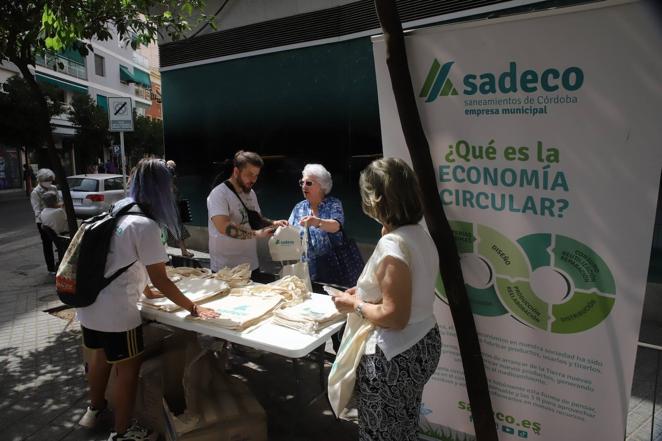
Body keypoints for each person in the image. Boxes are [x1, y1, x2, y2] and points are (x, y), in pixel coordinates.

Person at [76, 158, 218, 441]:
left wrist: (145, 290)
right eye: (171, 184)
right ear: (162, 188)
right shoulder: (146, 225)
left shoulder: (117, 210)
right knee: (127, 370)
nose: (174, 189)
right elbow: (161, 278)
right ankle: (122, 432)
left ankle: (94, 410)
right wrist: (193, 306)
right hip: (117, 313)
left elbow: (122, 261)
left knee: (99, 359)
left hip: (89, 305)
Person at [332, 158, 442, 441]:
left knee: (380, 433)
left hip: (395, 355)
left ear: (375, 199)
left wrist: (354, 305)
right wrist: (367, 294)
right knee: (403, 427)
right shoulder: (418, 234)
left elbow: (394, 316)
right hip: (422, 342)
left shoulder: (393, 244)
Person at [207, 150, 288, 275]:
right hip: (226, 269)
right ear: (236, 172)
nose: (253, 180)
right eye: (249, 174)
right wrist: (257, 234)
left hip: (251, 266)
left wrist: (274, 223)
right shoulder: (218, 194)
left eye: (256, 175)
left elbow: (257, 219)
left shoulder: (250, 193)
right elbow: (224, 227)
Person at [288, 164, 345, 283]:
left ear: (322, 186)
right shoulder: (299, 207)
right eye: (302, 182)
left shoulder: (333, 204)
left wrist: (316, 222)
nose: (304, 186)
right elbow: (290, 232)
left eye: (308, 183)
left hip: (332, 267)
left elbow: (336, 226)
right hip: (305, 270)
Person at [30, 168, 60, 274]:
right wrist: (44, 220)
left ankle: (61, 264)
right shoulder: (36, 192)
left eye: (50, 180)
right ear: (40, 180)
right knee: (47, 244)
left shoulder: (53, 188)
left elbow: (59, 201)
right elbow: (36, 210)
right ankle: (51, 267)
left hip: (56, 218)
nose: (49, 182)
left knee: (60, 242)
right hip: (43, 221)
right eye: (47, 180)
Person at [166, 160, 194, 257]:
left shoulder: (167, 178)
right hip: (170, 209)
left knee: (172, 230)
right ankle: (184, 251)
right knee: (177, 229)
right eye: (172, 166)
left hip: (170, 208)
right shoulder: (168, 175)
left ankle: (183, 251)